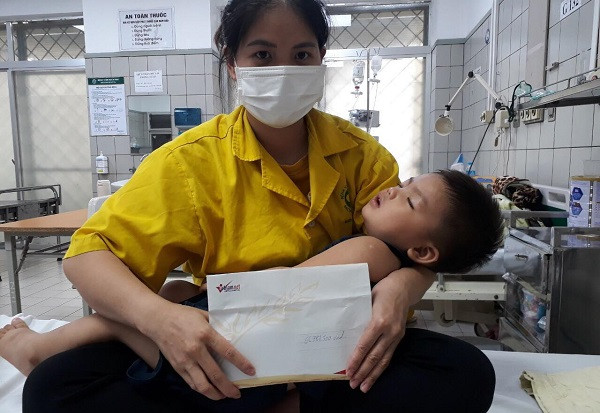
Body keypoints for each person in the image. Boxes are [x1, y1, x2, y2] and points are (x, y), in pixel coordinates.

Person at [17, 1, 497, 412]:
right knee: (51, 390)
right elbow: (86, 256)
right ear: (233, 64)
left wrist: (400, 290)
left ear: (321, 60)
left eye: (302, 54)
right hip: (226, 339)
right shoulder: (190, 163)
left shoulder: (361, 156)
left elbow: (420, 245)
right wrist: (158, 319)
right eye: (262, 54)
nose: (283, 69)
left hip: (337, 348)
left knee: (467, 374)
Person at [0, 169, 504, 381]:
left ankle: (35, 349)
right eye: (407, 182)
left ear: (422, 250)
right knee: (171, 292)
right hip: (253, 356)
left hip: (231, 349)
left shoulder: (370, 249)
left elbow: (276, 291)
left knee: (124, 318)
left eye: (410, 199)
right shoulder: (384, 255)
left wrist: (197, 299)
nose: (393, 188)